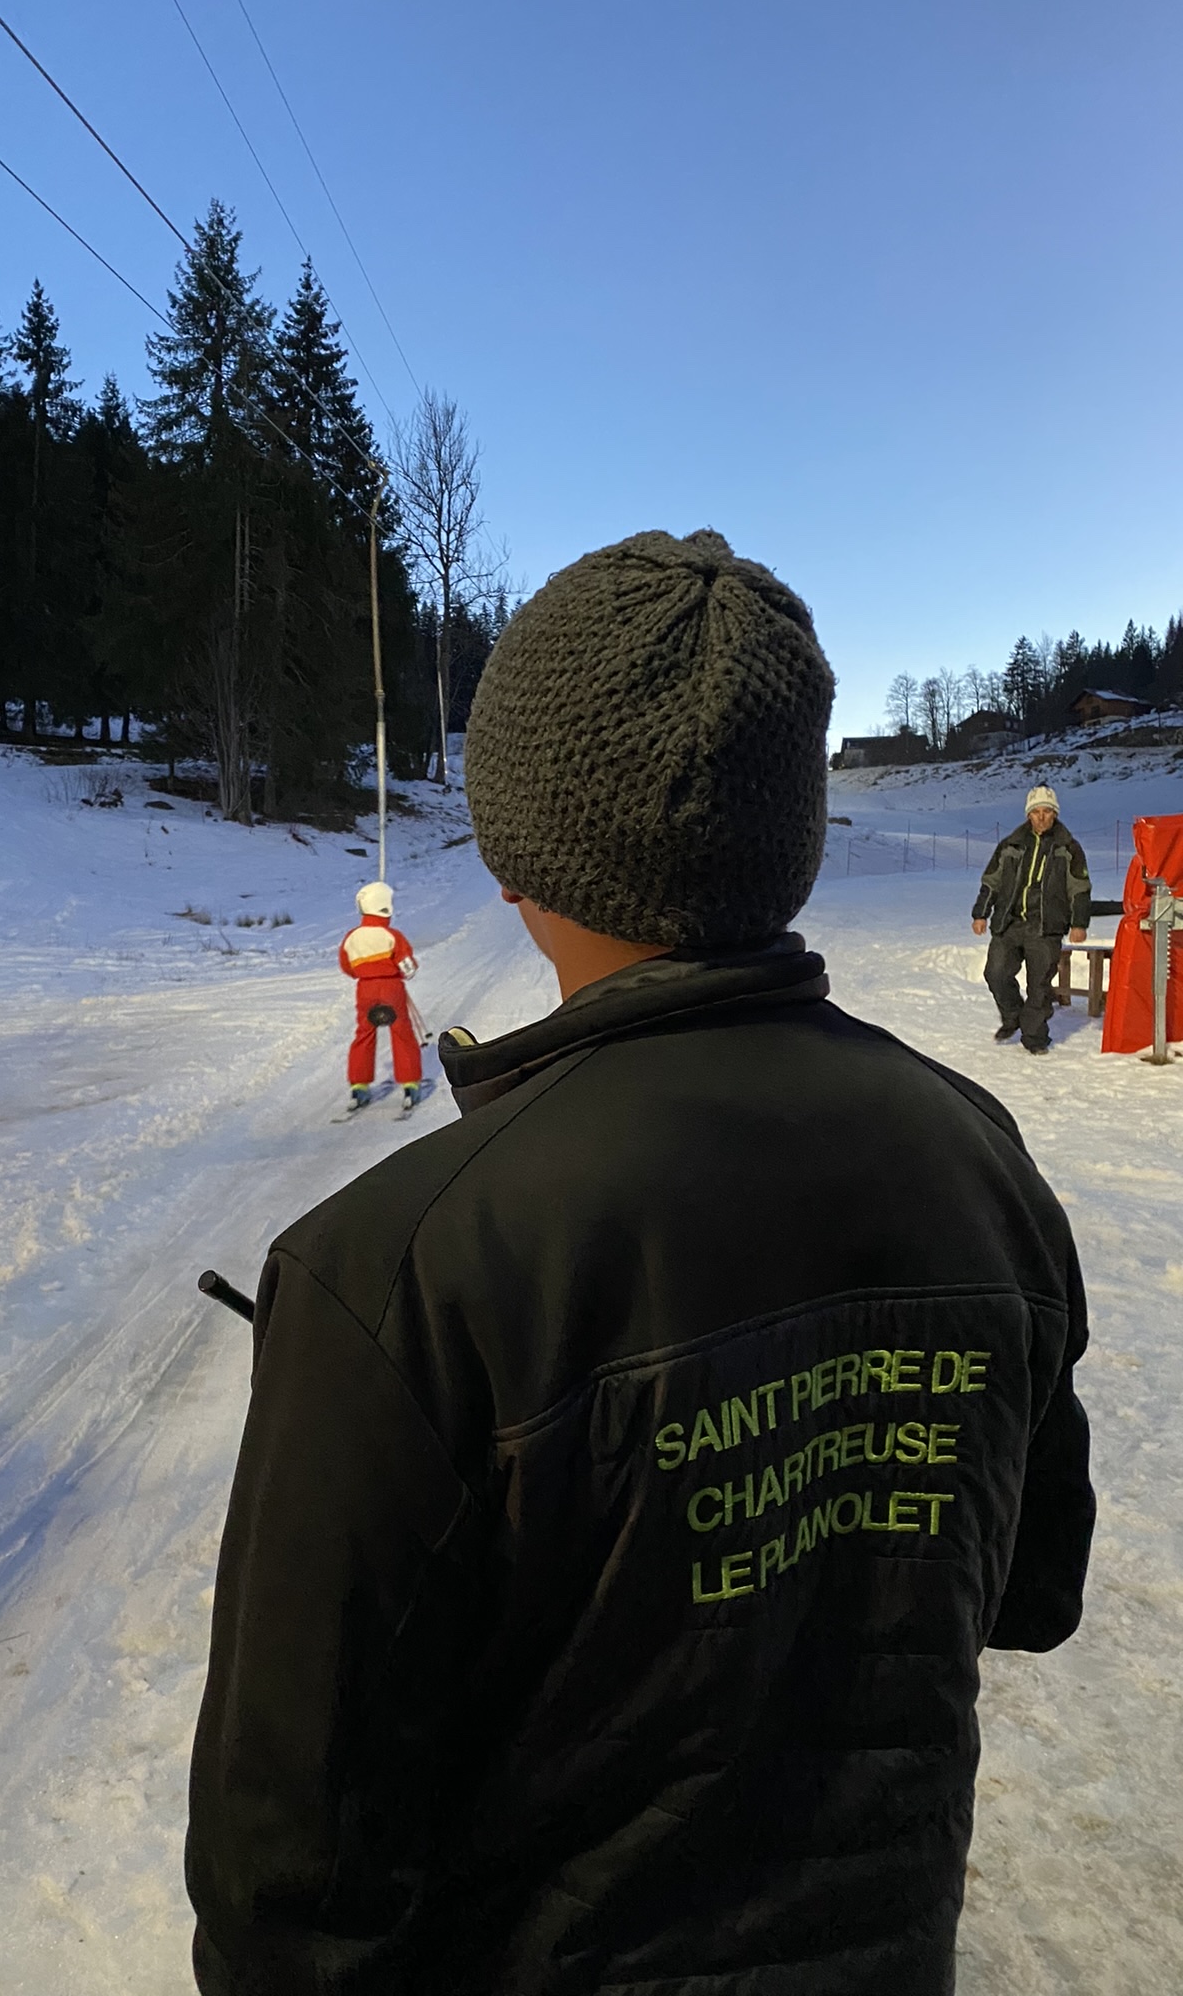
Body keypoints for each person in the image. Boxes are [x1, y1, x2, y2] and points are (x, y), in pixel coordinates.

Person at [187, 530, 1094, 1995]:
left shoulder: (401, 1267)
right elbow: (1029, 1586)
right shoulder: (977, 1154)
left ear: (519, 854)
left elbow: (285, 1882)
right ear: (785, 841)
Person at [972, 787, 1092, 1054]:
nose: (1041, 817)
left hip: (1046, 927)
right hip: (1009, 922)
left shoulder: (1068, 848)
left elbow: (1080, 888)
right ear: (1028, 814)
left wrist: (1079, 923)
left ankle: (1035, 1038)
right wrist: (980, 913)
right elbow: (991, 882)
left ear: (1055, 814)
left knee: (1039, 987)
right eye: (1036, 812)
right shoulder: (1010, 845)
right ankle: (1013, 1015)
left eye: (1047, 811)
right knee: (996, 974)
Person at [339, 880, 424, 1112]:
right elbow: (408, 968)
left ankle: (359, 1086)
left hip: (365, 990)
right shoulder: (392, 936)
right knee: (402, 1033)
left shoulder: (352, 937)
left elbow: (347, 966)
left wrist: (365, 973)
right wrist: (401, 972)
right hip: (391, 988)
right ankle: (410, 1084)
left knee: (364, 1033)